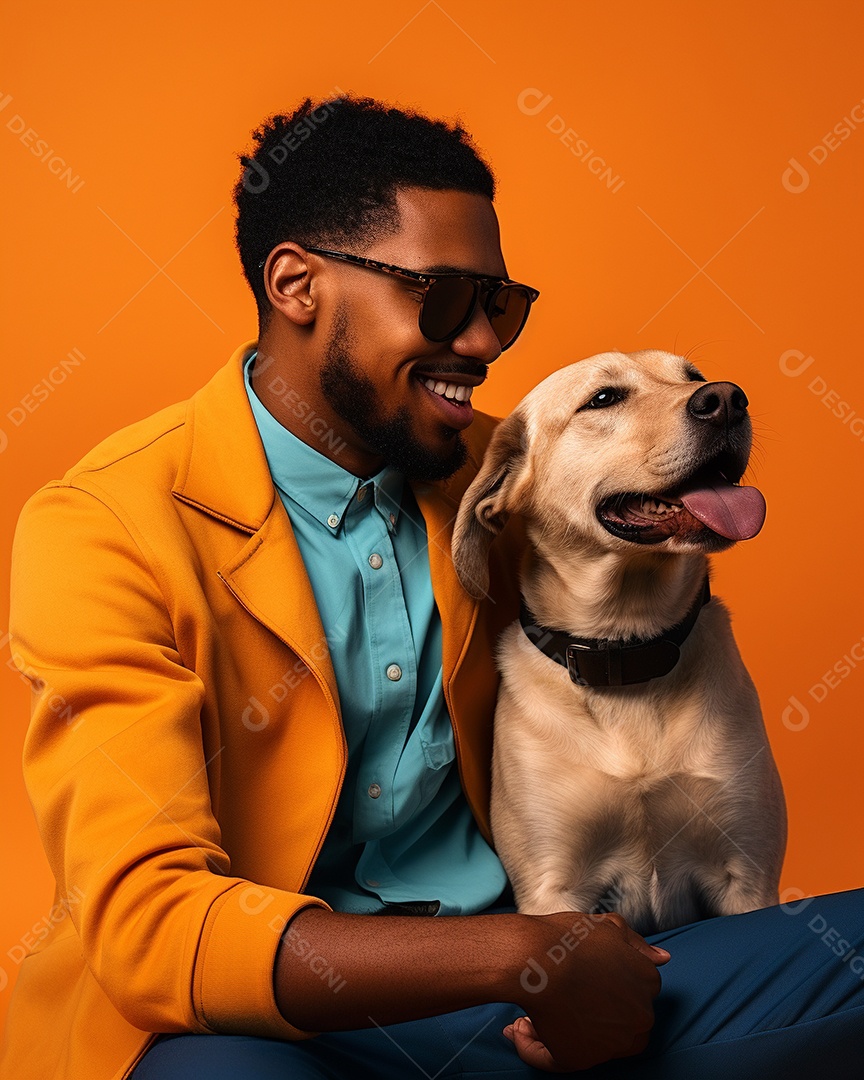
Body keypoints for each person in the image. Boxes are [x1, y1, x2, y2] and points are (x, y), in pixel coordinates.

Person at [2, 95, 861, 1080]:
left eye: (501, 306)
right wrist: (509, 954)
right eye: (445, 298)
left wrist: (685, 504)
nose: (488, 344)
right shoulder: (104, 529)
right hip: (283, 1030)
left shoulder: (509, 474)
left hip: (539, 1010)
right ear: (296, 284)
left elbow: (647, 594)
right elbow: (152, 928)